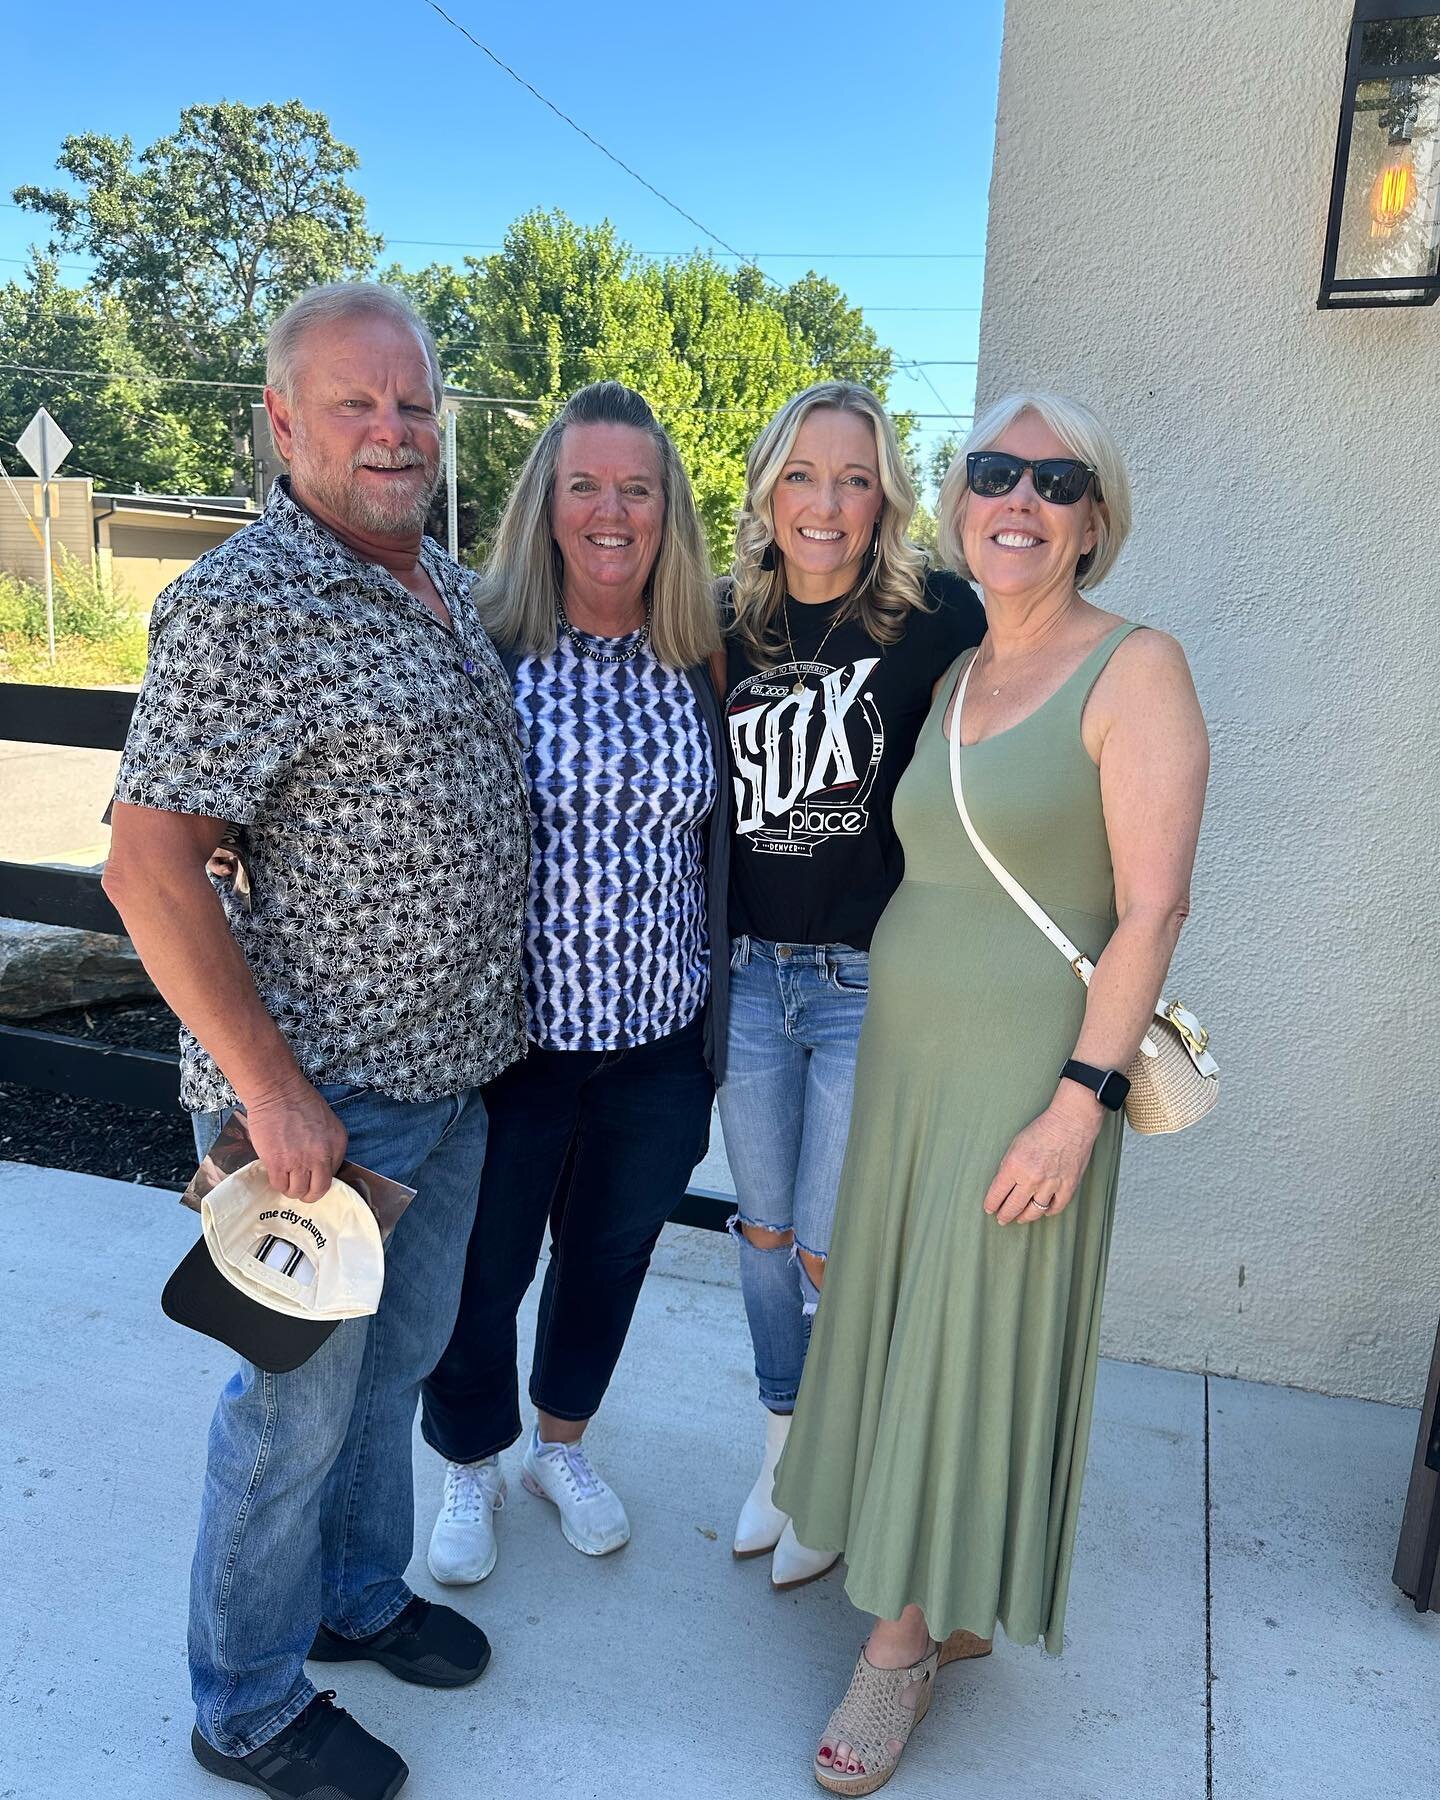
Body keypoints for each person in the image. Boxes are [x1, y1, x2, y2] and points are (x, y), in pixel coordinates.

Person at [103, 283, 529, 1800]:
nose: (393, 430)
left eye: (413, 403)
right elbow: (147, 868)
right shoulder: (247, 603)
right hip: (317, 1113)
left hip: (448, 1081)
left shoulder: (440, 586)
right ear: (284, 422)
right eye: (356, 405)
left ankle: (355, 1599)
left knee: (393, 1368)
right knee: (289, 1411)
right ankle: (246, 1705)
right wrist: (274, 1093)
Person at [771, 391, 1210, 1793]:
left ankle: (896, 1649)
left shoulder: (1137, 669)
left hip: (1027, 1073)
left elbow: (1151, 912)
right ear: (960, 501)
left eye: (1056, 480)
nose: (1018, 498)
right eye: (994, 471)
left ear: (1094, 520)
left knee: (970, 1327)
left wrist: (1078, 1099)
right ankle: (940, 1594)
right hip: (907, 1064)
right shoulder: (957, 666)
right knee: (906, 1319)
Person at [420, 381, 726, 1578]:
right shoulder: (486, 643)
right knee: (481, 1268)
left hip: (658, 1042)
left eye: (636, 489)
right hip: (514, 1045)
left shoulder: (705, 656)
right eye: (585, 485)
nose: (612, 511)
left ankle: (562, 1442)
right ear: (547, 504)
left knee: (610, 1256)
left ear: (667, 511)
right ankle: (467, 1460)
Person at [716, 381, 986, 1588]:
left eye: (856, 479)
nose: (826, 504)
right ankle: (782, 1448)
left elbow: (1020, 742)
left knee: (831, 1247)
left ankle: (835, 1466)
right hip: (744, 978)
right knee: (764, 1235)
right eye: (804, 476)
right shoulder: (721, 620)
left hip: (863, 979)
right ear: (770, 486)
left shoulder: (937, 620)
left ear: (886, 499)